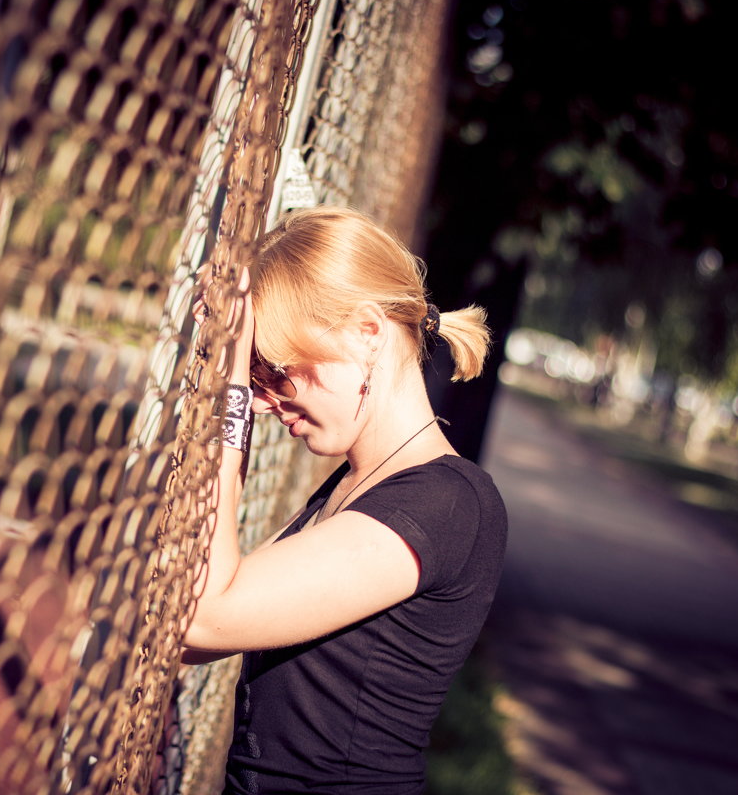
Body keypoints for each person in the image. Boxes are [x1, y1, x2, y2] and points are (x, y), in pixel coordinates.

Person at [183, 206, 508, 794]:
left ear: (367, 332)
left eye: (272, 371)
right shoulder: (360, 485)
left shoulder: (449, 505)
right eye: (251, 378)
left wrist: (228, 396)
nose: (258, 400)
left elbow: (206, 618)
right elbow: (196, 632)